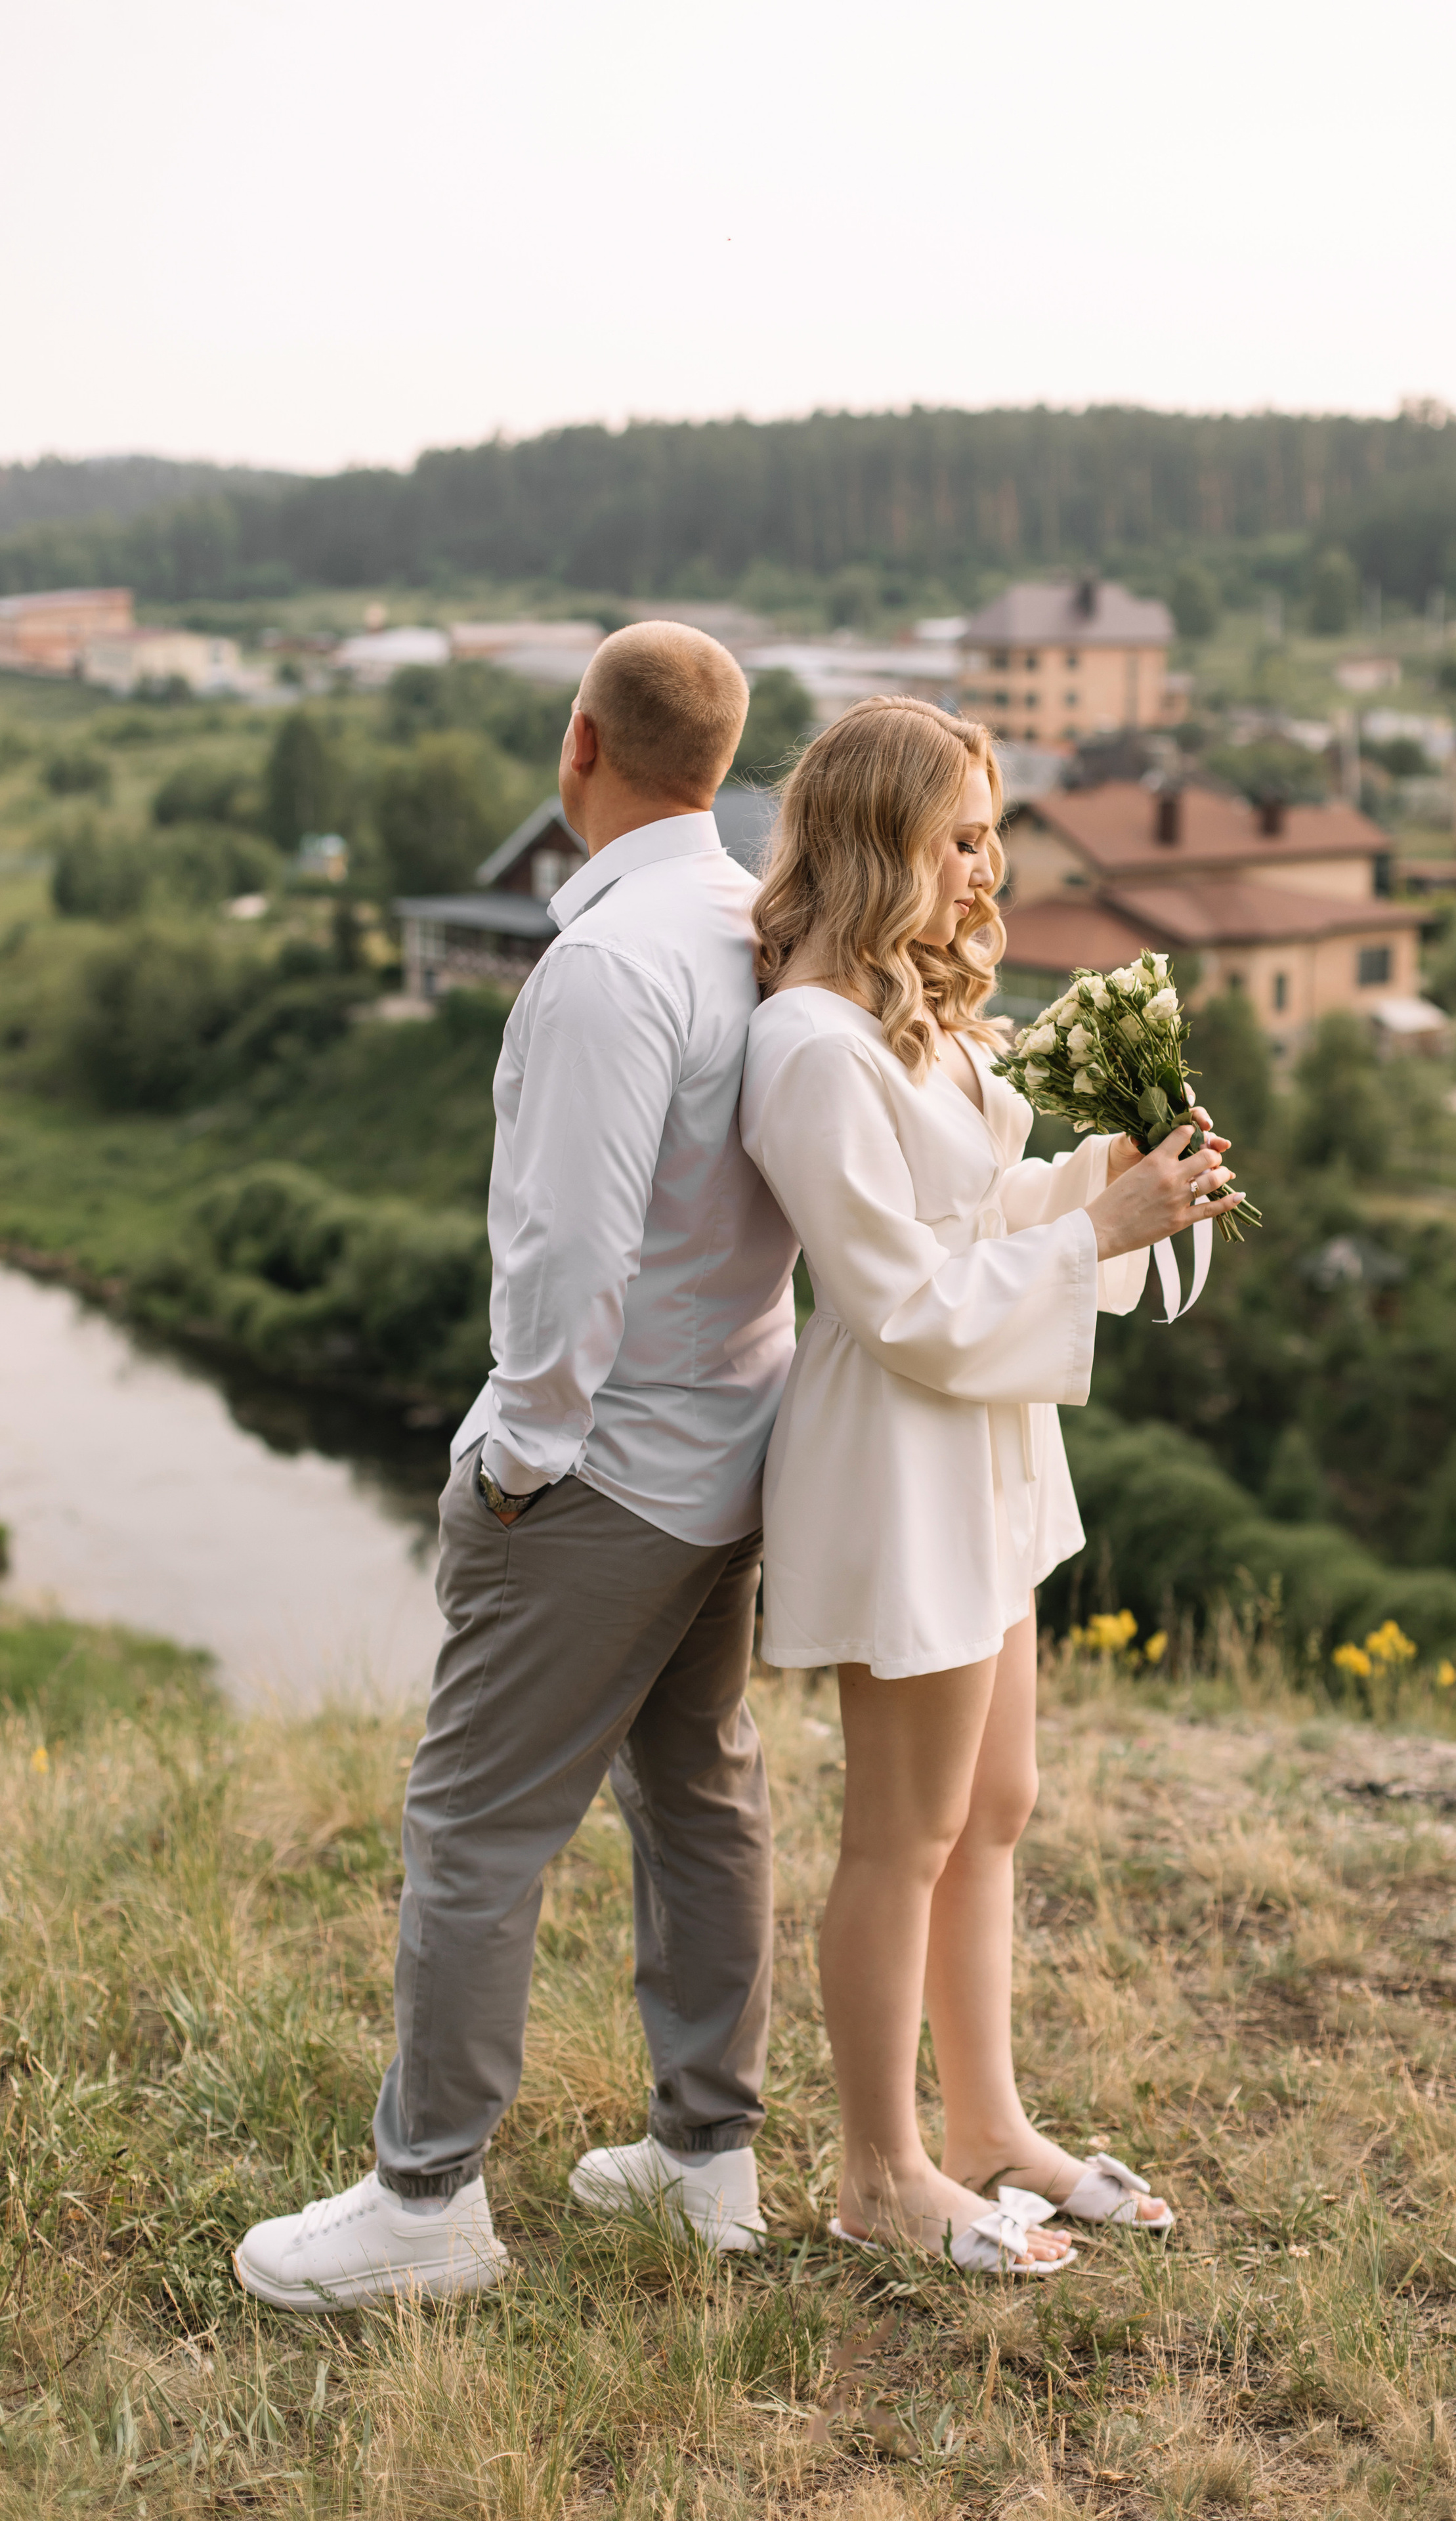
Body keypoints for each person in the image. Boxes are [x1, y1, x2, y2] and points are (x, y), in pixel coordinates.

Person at [233, 623, 800, 2310]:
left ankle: (427, 2203)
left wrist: (519, 1457)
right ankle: (706, 2162)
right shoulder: (750, 923)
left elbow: (568, 1252)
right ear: (722, 760)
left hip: (607, 1469)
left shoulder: (607, 967)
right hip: (733, 1443)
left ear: (578, 747)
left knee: (473, 1830)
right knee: (700, 1794)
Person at [739, 697, 1241, 2273]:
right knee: (902, 1830)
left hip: (988, 1441)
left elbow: (980, 1216)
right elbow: (893, 1295)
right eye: (958, 835)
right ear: (877, 842)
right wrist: (1089, 1236)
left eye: (987, 831)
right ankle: (878, 2171)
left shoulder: (921, 1027)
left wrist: (1108, 1181)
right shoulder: (808, 1048)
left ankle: (987, 2127)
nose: (985, 865)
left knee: (994, 1808)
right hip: (897, 1449)